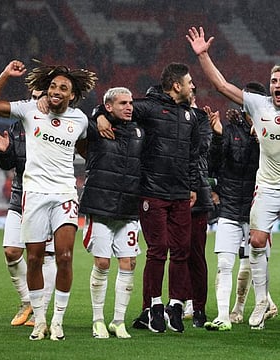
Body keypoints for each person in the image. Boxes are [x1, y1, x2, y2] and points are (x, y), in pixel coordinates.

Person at [187, 27, 280, 332]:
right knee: (257, 241)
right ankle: (261, 300)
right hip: (268, 187)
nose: (276, 85)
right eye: (273, 80)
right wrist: (203, 55)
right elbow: (222, 85)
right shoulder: (258, 105)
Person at [0, 60, 97, 341]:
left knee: (64, 257)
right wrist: (5, 74)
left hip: (64, 194)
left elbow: (89, 150)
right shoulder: (30, 110)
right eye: (52, 86)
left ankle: (58, 321)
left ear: (72, 95)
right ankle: (39, 320)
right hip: (34, 194)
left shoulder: (79, 120)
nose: (56, 90)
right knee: (35, 258)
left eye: (63, 87)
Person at [97, 63, 200, 334]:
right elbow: (116, 110)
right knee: (158, 250)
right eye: (189, 82)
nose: (192, 86)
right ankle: (154, 306)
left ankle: (175, 305)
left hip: (179, 194)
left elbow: (192, 155)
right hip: (151, 191)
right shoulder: (148, 107)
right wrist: (99, 115)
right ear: (176, 85)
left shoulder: (190, 115)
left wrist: (191, 186)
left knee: (181, 251)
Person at [201, 82, 278, 331]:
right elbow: (213, 165)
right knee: (225, 263)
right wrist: (217, 136)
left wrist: (261, 139)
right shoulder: (230, 130)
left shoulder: (273, 130)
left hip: (258, 208)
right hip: (231, 206)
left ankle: (260, 311)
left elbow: (279, 162)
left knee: (258, 263)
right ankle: (223, 315)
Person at [78, 87, 143, 339]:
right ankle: (97, 320)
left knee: (128, 263)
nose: (129, 107)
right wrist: (97, 115)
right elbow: (78, 117)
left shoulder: (139, 131)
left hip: (128, 207)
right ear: (108, 107)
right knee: (103, 263)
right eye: (123, 103)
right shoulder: (95, 128)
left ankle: (118, 321)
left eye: (130, 102)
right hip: (100, 206)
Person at [0, 90, 56, 328]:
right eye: (33, 95)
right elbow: (7, 164)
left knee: (46, 256)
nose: (36, 100)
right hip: (20, 196)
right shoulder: (17, 126)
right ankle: (27, 300)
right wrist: (5, 151)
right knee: (11, 251)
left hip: (48, 198)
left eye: (40, 95)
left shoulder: (58, 125)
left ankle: (40, 311)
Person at [186, 88, 213, 328]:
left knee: (195, 255)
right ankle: (169, 304)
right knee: (166, 254)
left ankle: (198, 308)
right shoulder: (165, 116)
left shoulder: (201, 120)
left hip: (197, 197)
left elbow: (202, 147)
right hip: (167, 191)